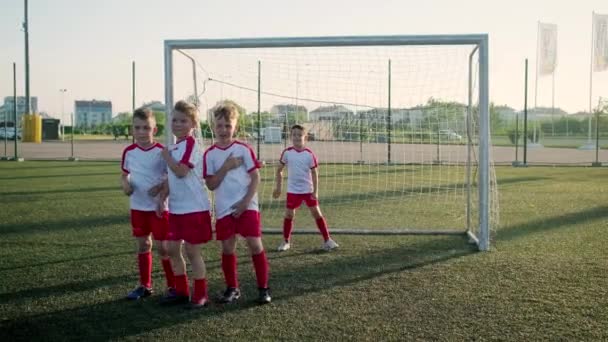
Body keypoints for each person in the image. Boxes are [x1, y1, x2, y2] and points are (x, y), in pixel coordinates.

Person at [203, 101, 271, 305]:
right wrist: (226, 166)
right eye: (219, 125)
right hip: (224, 208)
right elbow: (212, 185)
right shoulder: (210, 154)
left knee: (254, 243)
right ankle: (232, 288)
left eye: (228, 126)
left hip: (246, 205)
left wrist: (244, 202)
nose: (223, 130)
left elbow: (256, 178)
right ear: (213, 127)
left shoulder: (243, 149)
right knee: (227, 247)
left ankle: (263, 288)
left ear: (235, 127)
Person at [160, 100, 213, 308]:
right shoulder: (174, 146)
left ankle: (201, 294)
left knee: (192, 251)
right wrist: (162, 193)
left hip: (194, 208)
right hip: (176, 208)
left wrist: (166, 157)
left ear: (193, 124)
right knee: (172, 249)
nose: (178, 124)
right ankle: (181, 290)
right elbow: (173, 179)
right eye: (175, 120)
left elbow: (181, 172)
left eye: (183, 121)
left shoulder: (191, 144)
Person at [120, 107, 175, 300]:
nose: (142, 132)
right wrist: (125, 185)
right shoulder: (129, 152)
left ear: (155, 130)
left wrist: (161, 188)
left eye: (146, 128)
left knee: (164, 248)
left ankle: (173, 286)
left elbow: (172, 177)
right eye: (138, 128)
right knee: (143, 245)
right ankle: (145, 286)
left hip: (159, 207)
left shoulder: (162, 152)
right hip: (138, 206)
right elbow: (124, 175)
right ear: (132, 130)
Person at [273, 124, 339, 252]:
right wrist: (278, 188)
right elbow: (279, 170)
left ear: (305, 137)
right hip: (293, 191)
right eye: (294, 135)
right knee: (289, 215)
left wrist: (315, 191)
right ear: (290, 136)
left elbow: (315, 173)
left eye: (300, 135)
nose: (297, 137)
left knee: (317, 213)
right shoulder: (287, 153)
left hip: (307, 190)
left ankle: (327, 240)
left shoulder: (309, 155)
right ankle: (286, 241)